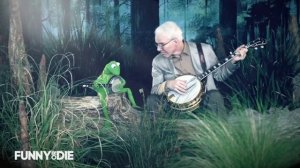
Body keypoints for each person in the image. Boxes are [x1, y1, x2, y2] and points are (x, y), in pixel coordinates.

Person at [146, 21, 248, 118]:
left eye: (162, 44)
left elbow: (219, 75)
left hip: (202, 100)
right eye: (157, 44)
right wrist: (168, 84)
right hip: (174, 105)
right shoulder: (158, 61)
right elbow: (154, 90)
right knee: (152, 100)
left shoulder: (204, 50)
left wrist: (233, 61)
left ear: (175, 42)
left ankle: (221, 134)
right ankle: (156, 134)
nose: (158, 49)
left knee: (215, 96)